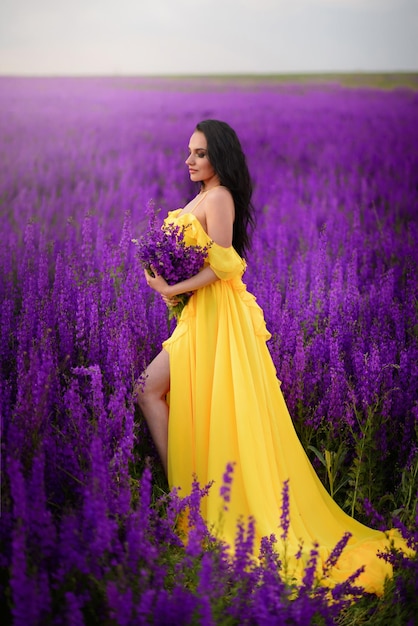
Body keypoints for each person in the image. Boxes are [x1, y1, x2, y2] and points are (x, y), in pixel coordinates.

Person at [135, 119, 408, 595]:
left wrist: (174, 285)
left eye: (199, 153)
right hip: (197, 315)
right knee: (153, 392)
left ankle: (188, 502)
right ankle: (188, 497)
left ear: (218, 156)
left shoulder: (219, 198)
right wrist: (168, 279)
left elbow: (226, 265)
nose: (190, 160)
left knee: (155, 391)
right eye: (188, 152)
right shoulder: (202, 196)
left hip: (216, 316)